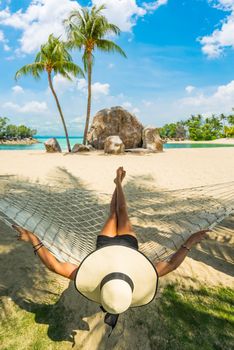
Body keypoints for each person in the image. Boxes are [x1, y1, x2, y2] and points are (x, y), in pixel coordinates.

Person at [13, 167, 210, 332]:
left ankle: (117, 182)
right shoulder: (142, 274)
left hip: (105, 247)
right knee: (122, 211)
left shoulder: (90, 275)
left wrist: (33, 238)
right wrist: (190, 241)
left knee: (113, 215)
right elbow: (172, 264)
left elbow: (53, 266)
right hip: (128, 245)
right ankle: (118, 183)